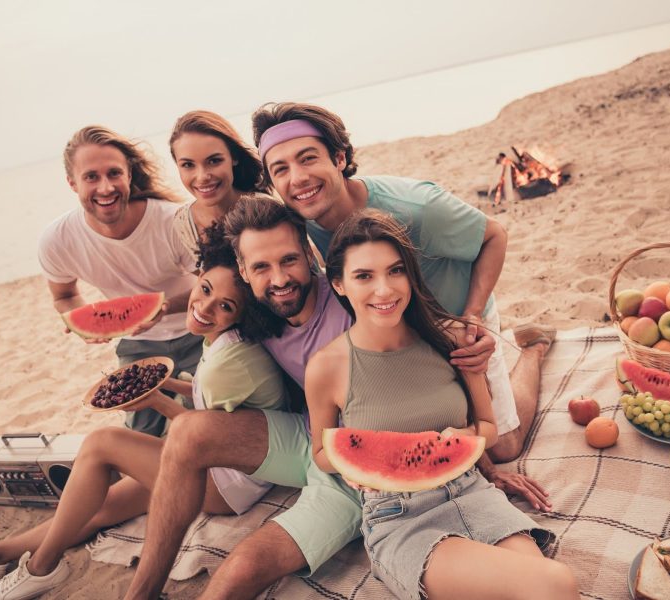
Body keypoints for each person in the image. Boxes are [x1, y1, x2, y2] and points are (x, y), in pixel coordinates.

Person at [0, 223, 288, 600]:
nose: (205, 305)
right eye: (206, 288)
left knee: (102, 443)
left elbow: (203, 436)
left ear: (242, 314)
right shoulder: (225, 343)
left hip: (224, 485)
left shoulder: (226, 364)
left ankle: (42, 567)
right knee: (97, 506)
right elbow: (209, 402)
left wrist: (151, 400)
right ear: (197, 277)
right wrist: (161, 383)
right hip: (220, 468)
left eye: (225, 306)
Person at [252, 102, 555, 509]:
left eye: (308, 159)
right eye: (281, 169)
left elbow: (494, 236)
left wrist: (473, 316)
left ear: (339, 158)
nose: (298, 178)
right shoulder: (303, 221)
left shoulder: (418, 208)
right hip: (396, 327)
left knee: (504, 446)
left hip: (458, 319)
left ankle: (532, 350)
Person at [307, 209, 578, 600]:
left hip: (472, 491)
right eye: (364, 276)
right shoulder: (326, 367)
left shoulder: (450, 337)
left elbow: (487, 426)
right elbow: (320, 451)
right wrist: (348, 465)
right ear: (340, 284)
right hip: (399, 517)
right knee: (554, 582)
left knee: (544, 587)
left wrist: (464, 436)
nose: (384, 290)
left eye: (395, 271)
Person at [125, 196, 363, 600]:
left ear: (310, 255)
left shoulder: (349, 296)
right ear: (244, 272)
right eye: (261, 267)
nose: (279, 279)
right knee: (186, 431)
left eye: (289, 260)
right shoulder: (260, 316)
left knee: (244, 565)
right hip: (308, 439)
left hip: (359, 467)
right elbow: (208, 301)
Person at [38, 125, 201, 438]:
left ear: (129, 175)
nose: (105, 187)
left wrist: (165, 308)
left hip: (197, 328)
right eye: (91, 177)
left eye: (114, 173)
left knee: (207, 413)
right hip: (138, 344)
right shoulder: (57, 240)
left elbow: (213, 286)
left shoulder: (172, 221)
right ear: (72, 183)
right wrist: (80, 321)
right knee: (142, 432)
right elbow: (64, 294)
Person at [168, 110, 266, 259]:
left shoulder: (265, 208)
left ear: (234, 157)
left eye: (214, 161)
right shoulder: (184, 221)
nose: (202, 177)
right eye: (188, 164)